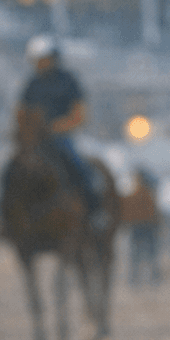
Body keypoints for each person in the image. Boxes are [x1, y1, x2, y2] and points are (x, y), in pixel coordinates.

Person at [18, 35, 105, 225]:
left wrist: (57, 127)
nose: (41, 64)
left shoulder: (68, 81)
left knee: (78, 166)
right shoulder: (32, 85)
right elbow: (22, 112)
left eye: (44, 59)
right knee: (14, 170)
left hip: (63, 137)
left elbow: (79, 113)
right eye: (37, 60)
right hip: (36, 139)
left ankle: (95, 211)